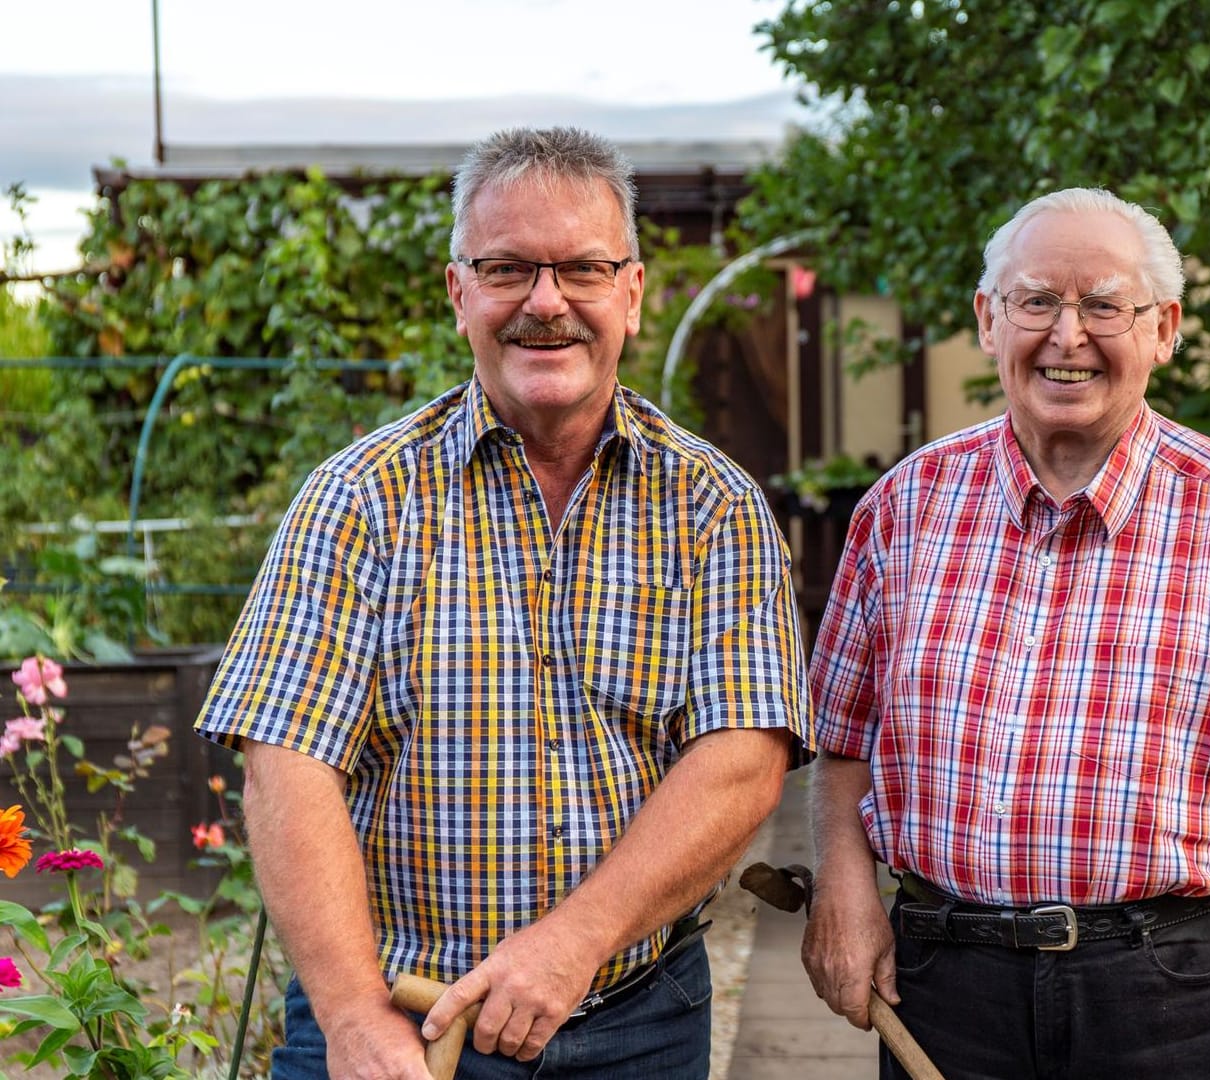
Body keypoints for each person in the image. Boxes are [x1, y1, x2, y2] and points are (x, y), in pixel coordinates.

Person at [197, 126, 812, 1080]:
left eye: (582, 269)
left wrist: (570, 945)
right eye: (507, 268)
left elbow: (742, 759)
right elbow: (288, 762)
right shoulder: (360, 499)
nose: (546, 303)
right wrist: (355, 1017)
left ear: (633, 294)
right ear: (459, 293)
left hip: (635, 1026)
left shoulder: (714, 507)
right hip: (402, 1023)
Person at [801, 187, 1210, 1079]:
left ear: (1162, 328)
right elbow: (843, 741)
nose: (1067, 334)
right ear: (987, 318)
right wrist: (844, 888)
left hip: (1171, 996)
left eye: (1103, 305)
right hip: (944, 986)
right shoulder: (903, 508)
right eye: (1037, 300)